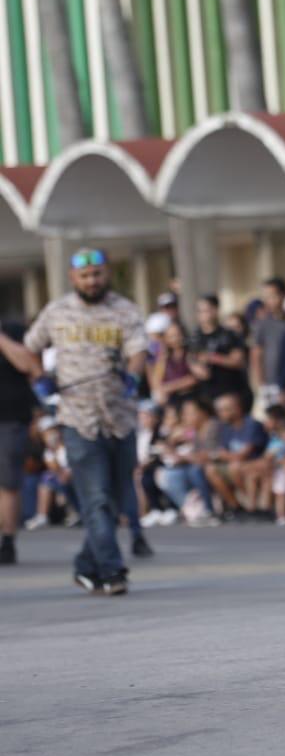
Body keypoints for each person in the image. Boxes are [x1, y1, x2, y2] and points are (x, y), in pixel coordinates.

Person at [23, 248, 150, 594]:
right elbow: (30, 346)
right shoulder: (57, 311)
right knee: (96, 498)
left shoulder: (125, 310)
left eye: (97, 274)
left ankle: (85, 565)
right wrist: (40, 377)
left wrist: (133, 376)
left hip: (119, 417)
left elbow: (138, 350)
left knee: (115, 499)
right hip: (78, 419)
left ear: (106, 274)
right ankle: (112, 571)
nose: (92, 281)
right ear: (73, 278)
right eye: (85, 276)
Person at [0, 319, 36, 564]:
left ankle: (8, 541)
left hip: (9, 419)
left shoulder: (13, 331)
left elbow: (27, 364)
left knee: (8, 482)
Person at [155, 397, 220, 525]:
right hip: (194, 464)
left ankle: (208, 509)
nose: (185, 417)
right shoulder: (193, 430)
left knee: (194, 471)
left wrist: (184, 457)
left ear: (203, 412)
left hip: (212, 464)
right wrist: (171, 442)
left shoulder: (213, 426)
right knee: (170, 475)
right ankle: (191, 510)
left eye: (190, 413)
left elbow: (209, 454)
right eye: (184, 413)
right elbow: (182, 444)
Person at [205, 392, 268, 518]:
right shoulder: (225, 427)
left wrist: (224, 455)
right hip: (235, 463)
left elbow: (243, 455)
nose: (221, 413)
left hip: (253, 463)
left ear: (237, 409)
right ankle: (236, 507)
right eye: (219, 410)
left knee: (235, 466)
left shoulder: (252, 424)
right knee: (210, 469)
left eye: (225, 410)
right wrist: (223, 455)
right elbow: (221, 452)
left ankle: (251, 505)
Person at [190, 294, 250, 406]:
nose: (202, 315)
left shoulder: (229, 335)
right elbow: (191, 360)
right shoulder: (194, 338)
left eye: (205, 310)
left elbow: (238, 361)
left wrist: (212, 358)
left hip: (230, 394)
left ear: (215, 310)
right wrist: (197, 368)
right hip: (206, 397)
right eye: (199, 311)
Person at [250, 278, 285, 408]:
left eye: (272, 296)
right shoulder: (262, 324)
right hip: (270, 384)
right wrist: (261, 384)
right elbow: (256, 354)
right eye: (266, 297)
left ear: (284, 295)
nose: (269, 301)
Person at [149, 322, 200, 407]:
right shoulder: (164, 358)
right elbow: (156, 383)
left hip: (191, 395)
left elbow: (194, 379)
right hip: (173, 398)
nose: (175, 339)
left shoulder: (190, 353)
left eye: (178, 335)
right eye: (171, 336)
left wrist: (170, 387)